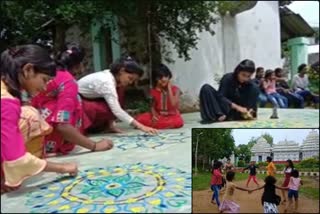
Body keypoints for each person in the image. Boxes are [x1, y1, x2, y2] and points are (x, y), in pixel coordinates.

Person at [1, 45, 78, 194]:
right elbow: (17, 160)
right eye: (44, 80)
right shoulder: (5, 102)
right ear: (28, 70)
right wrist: (62, 168)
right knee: (30, 116)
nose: (44, 88)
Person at [31, 43, 113, 156]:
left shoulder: (49, 76)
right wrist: (94, 145)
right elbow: (62, 125)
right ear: (79, 65)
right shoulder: (68, 82)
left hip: (34, 136)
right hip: (49, 140)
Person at [78, 56, 158, 135]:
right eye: (130, 78)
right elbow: (117, 110)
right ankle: (84, 128)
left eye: (133, 81)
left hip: (93, 98)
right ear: (121, 71)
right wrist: (142, 127)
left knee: (119, 93)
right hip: (78, 99)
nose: (130, 83)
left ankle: (109, 126)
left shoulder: (113, 79)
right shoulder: (107, 82)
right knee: (99, 107)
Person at [135, 64, 184, 129]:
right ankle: (161, 125)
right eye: (160, 77)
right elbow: (152, 107)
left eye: (166, 76)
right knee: (139, 119)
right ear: (155, 79)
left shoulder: (176, 90)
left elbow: (173, 104)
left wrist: (169, 88)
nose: (163, 79)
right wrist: (154, 115)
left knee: (178, 122)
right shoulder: (153, 91)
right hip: (160, 116)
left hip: (173, 117)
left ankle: (161, 125)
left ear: (169, 76)